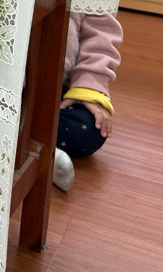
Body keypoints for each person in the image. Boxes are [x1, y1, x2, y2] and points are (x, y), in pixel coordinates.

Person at [52, 10, 122, 191]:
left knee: (91, 128)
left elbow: (101, 34)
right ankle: (35, 149)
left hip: (55, 84)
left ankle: (22, 141)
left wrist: (88, 84)